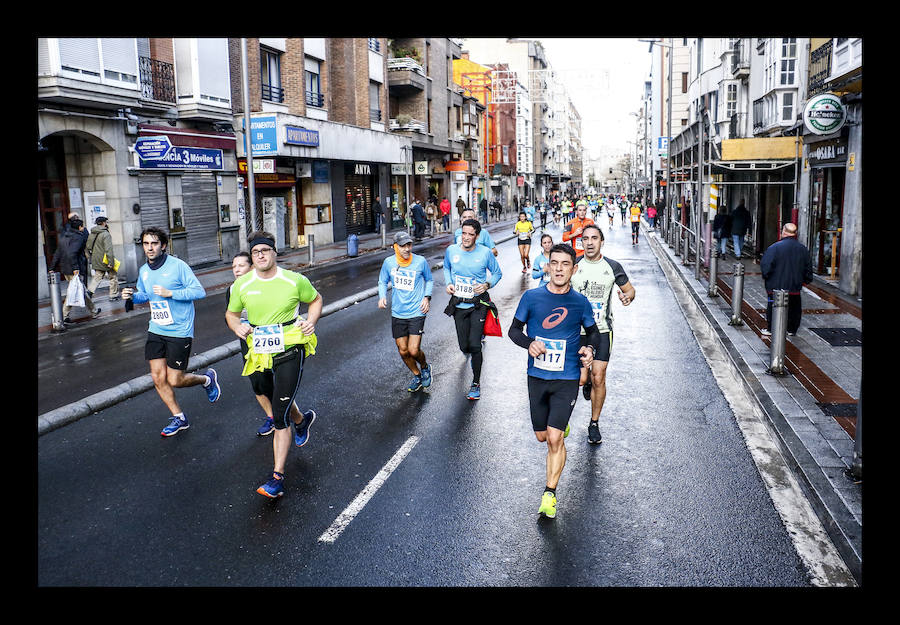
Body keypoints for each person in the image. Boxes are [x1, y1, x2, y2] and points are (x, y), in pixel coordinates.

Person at [225, 230, 323, 498]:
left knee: (279, 414)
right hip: (259, 351)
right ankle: (302, 420)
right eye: (256, 252)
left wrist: (311, 321)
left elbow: (315, 300)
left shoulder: (294, 280)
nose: (260, 255)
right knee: (265, 392)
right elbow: (231, 314)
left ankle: (277, 478)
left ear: (274, 252)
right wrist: (236, 326)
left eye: (265, 250)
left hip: (290, 347)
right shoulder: (241, 285)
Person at [508, 243, 603, 519]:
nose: (559, 269)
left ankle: (549, 493)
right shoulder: (531, 297)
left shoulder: (580, 302)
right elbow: (514, 331)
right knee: (542, 436)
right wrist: (529, 343)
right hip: (537, 376)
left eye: (565, 264)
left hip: (567, 377)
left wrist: (589, 349)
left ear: (574, 269)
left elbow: (593, 333)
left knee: (553, 438)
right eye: (555, 263)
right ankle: (559, 426)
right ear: (548, 266)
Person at [121, 227, 218, 437]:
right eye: (146, 244)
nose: (150, 248)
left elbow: (199, 291)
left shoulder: (178, 266)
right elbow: (144, 295)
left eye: (154, 243)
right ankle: (179, 418)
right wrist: (131, 296)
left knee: (175, 380)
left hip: (179, 330)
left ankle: (207, 380)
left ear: (163, 245)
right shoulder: (144, 270)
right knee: (157, 377)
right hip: (156, 328)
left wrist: (171, 293)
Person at [571, 225, 635, 444]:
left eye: (594, 238)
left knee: (599, 376)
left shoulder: (612, 266)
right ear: (581, 242)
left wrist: (627, 297)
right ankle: (586, 380)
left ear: (601, 242)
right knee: (582, 379)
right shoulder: (574, 265)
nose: (589, 243)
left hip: (602, 330)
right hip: (576, 332)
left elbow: (630, 290)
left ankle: (594, 423)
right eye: (585, 239)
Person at [443, 219, 503, 400]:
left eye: (471, 234)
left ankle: (476, 383)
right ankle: (469, 348)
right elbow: (446, 267)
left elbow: (497, 273)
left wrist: (487, 284)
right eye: (464, 233)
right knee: (464, 346)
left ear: (477, 236)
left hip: (478, 305)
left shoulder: (485, 253)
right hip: (458, 305)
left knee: (475, 345)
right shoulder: (451, 250)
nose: (466, 237)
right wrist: (449, 283)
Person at [225, 251, 277, 436]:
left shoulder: (267, 285)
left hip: (271, 338)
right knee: (257, 383)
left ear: (252, 267)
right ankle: (272, 417)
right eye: (234, 267)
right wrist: (237, 327)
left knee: (277, 382)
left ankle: (290, 416)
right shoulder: (232, 290)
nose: (237, 270)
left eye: (241, 266)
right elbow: (230, 316)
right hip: (248, 342)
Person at [378, 231, 434, 392]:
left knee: (413, 350)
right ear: (395, 247)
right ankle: (417, 375)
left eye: (409, 245)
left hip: (417, 310)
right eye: (403, 246)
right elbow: (382, 281)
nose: (407, 249)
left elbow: (429, 279)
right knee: (403, 350)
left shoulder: (420, 261)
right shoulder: (389, 263)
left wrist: (426, 297)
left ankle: (425, 367)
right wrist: (382, 296)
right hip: (398, 312)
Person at [760, 223, 813, 338]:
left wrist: (767, 277)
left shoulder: (774, 248)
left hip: (775, 285)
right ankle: (791, 329)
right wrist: (805, 281)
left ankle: (771, 328)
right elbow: (808, 268)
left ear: (783, 231)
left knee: (773, 306)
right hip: (794, 286)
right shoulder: (803, 249)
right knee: (794, 308)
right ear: (795, 234)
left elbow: (766, 266)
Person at [51, 218, 101, 323]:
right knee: (74, 291)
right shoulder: (78, 237)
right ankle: (64, 315)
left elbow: (57, 253)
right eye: (82, 226)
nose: (83, 228)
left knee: (79, 290)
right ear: (79, 227)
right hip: (74, 269)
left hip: (65, 269)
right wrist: (75, 268)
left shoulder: (64, 236)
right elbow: (72, 253)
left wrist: (52, 267)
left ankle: (94, 311)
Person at [86, 216, 119, 301]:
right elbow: (108, 249)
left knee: (98, 276)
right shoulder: (106, 234)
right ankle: (113, 295)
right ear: (103, 223)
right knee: (113, 276)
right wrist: (111, 262)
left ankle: (89, 292)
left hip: (96, 259)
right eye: (106, 222)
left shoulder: (92, 233)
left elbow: (88, 247)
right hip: (106, 259)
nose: (107, 224)